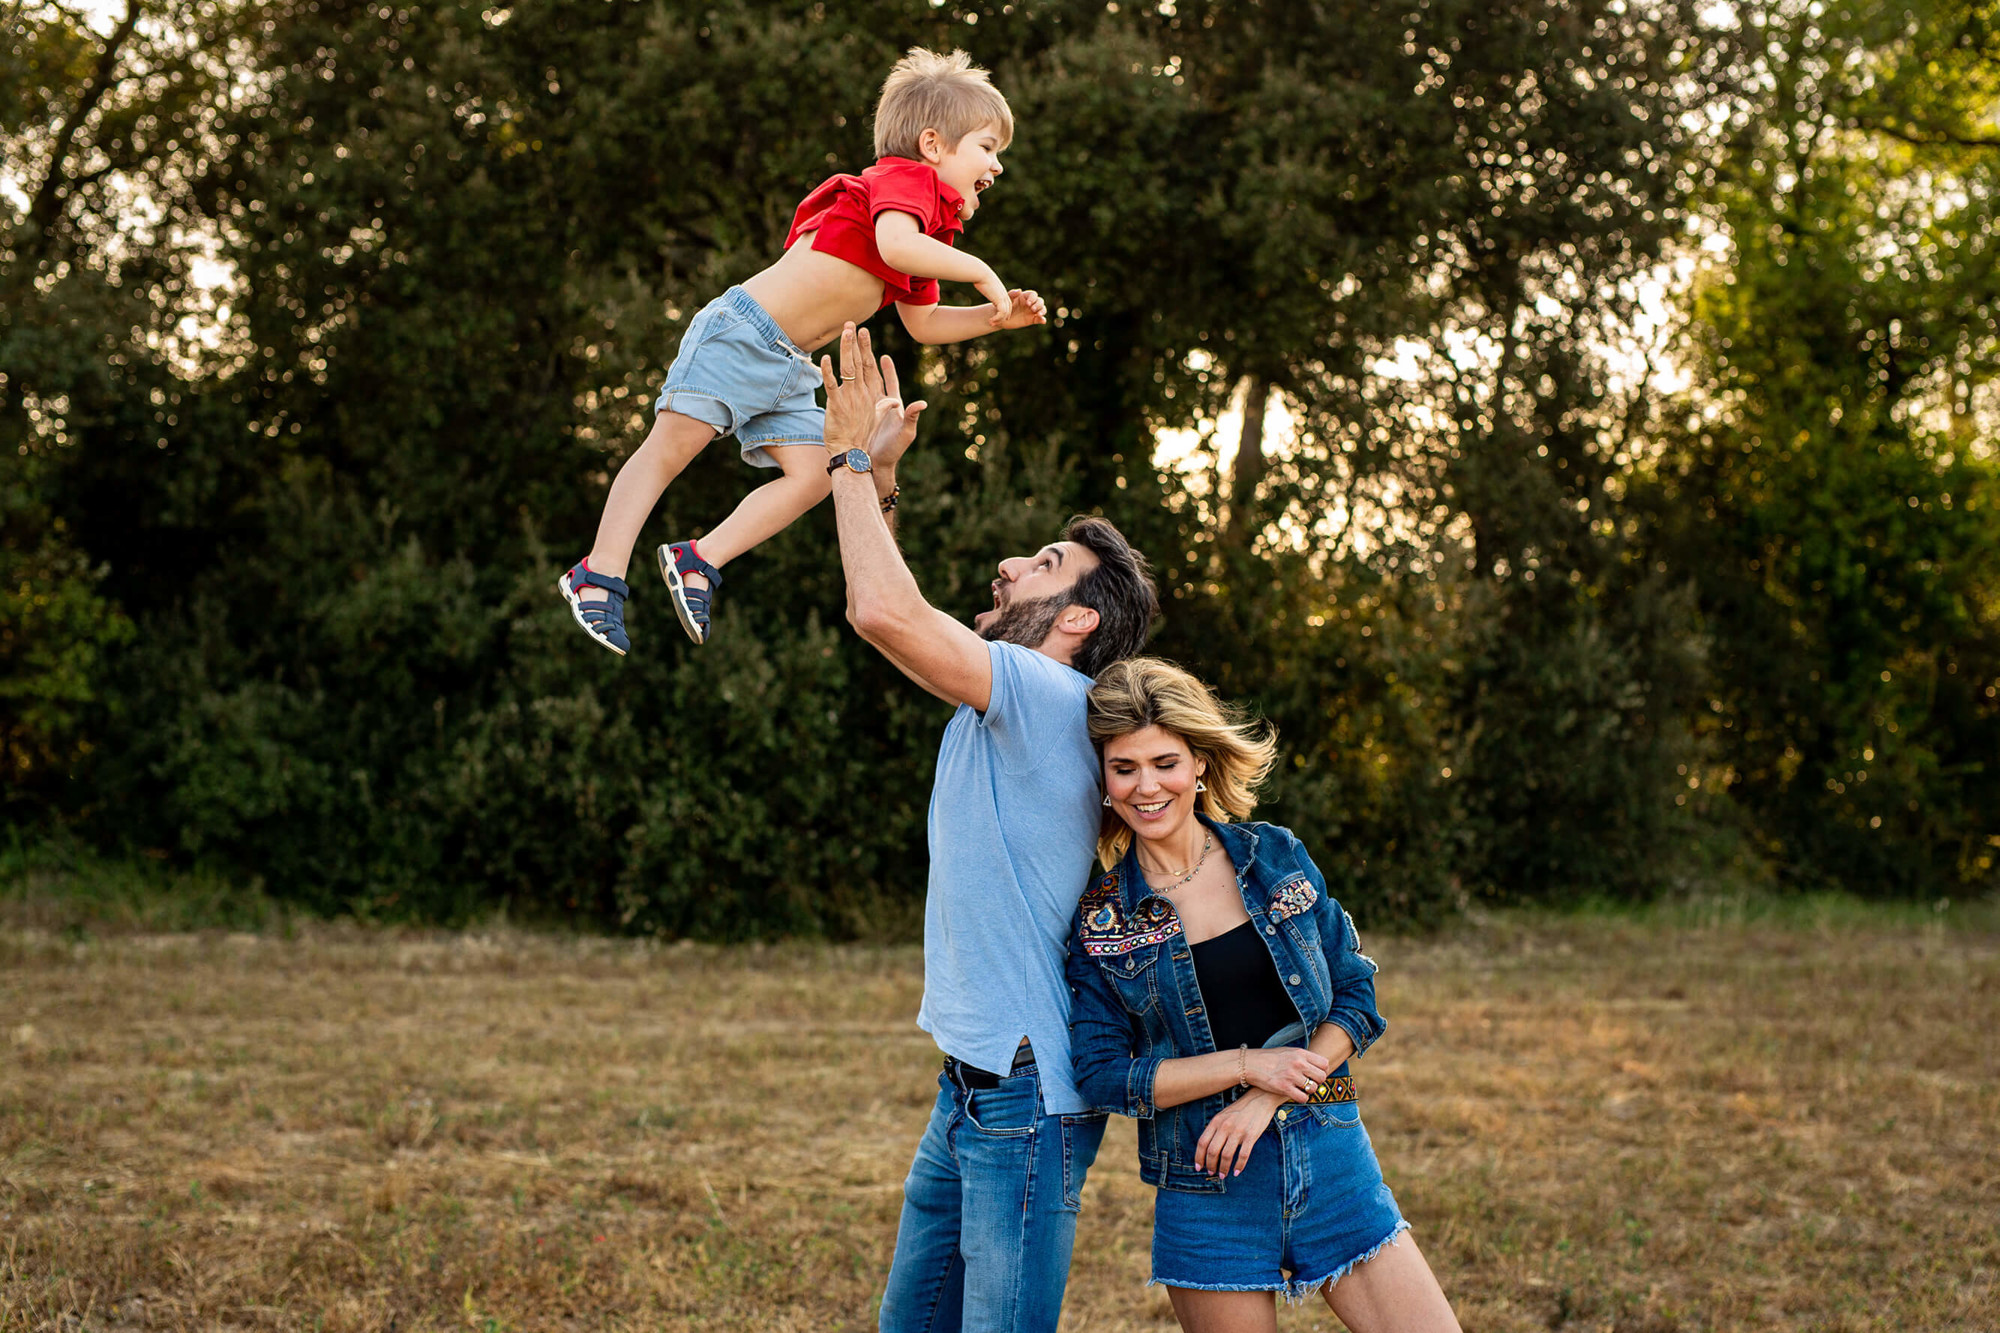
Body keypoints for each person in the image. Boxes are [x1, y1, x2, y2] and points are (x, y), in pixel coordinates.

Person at [815, 324, 1160, 1333]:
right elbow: (903, 615)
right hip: (969, 1086)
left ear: (1076, 621)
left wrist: (841, 456)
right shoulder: (1004, 693)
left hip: (1025, 1102)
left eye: (1042, 564)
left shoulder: (1043, 689)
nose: (1008, 566)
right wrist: (875, 483)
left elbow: (882, 611)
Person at [558, 48, 1048, 655]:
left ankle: (699, 559)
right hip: (743, 333)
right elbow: (893, 247)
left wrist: (994, 321)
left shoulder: (929, 233)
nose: (997, 166)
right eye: (987, 147)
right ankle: (599, 573)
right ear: (932, 145)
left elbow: (922, 324)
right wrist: (980, 272)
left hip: (788, 366)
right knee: (668, 451)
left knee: (822, 471)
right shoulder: (901, 182)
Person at [1067, 658, 1462, 1333]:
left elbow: (1357, 994)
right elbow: (1103, 1075)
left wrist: (1270, 1092)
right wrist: (1248, 1064)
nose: (1147, 785)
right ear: (1103, 783)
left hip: (1330, 1143)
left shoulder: (1274, 855)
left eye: (1165, 761)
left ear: (1199, 763)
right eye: (1124, 767)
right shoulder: (1103, 920)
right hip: (1205, 1178)